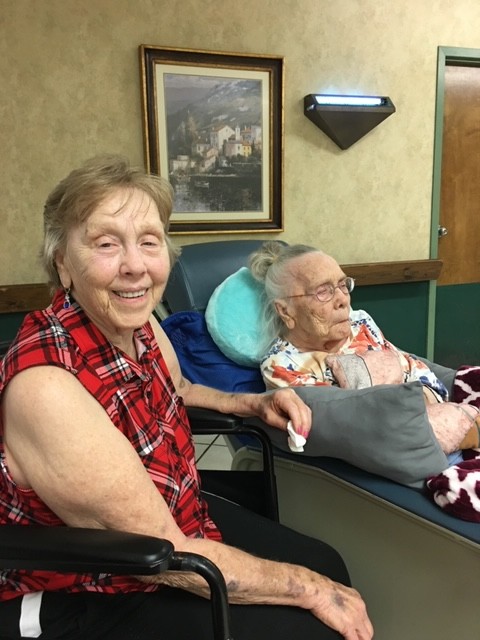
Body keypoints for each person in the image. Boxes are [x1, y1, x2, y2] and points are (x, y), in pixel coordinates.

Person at [0, 155, 373, 640]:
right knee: (312, 622)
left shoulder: (139, 325)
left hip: (175, 518)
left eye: (149, 241)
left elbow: (177, 388)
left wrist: (252, 404)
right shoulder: (45, 387)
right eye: (106, 243)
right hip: (90, 583)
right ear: (63, 264)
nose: (135, 266)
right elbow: (160, 551)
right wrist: (311, 591)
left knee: (326, 562)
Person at [249, 241, 480, 456]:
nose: (343, 300)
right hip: (398, 453)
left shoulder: (360, 323)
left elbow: (414, 368)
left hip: (434, 424)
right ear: (286, 311)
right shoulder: (281, 365)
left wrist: (426, 399)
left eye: (343, 285)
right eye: (323, 291)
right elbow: (352, 428)